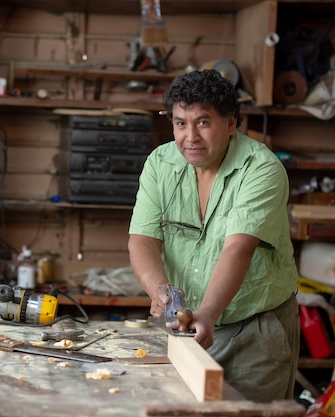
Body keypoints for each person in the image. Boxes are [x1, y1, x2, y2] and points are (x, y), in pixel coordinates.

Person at [128, 69, 300, 403]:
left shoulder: (261, 168)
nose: (190, 136)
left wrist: (208, 313)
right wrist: (160, 292)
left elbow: (238, 247)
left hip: (255, 331)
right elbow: (142, 239)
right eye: (180, 123)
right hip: (187, 327)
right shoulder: (160, 163)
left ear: (231, 123)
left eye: (203, 122)